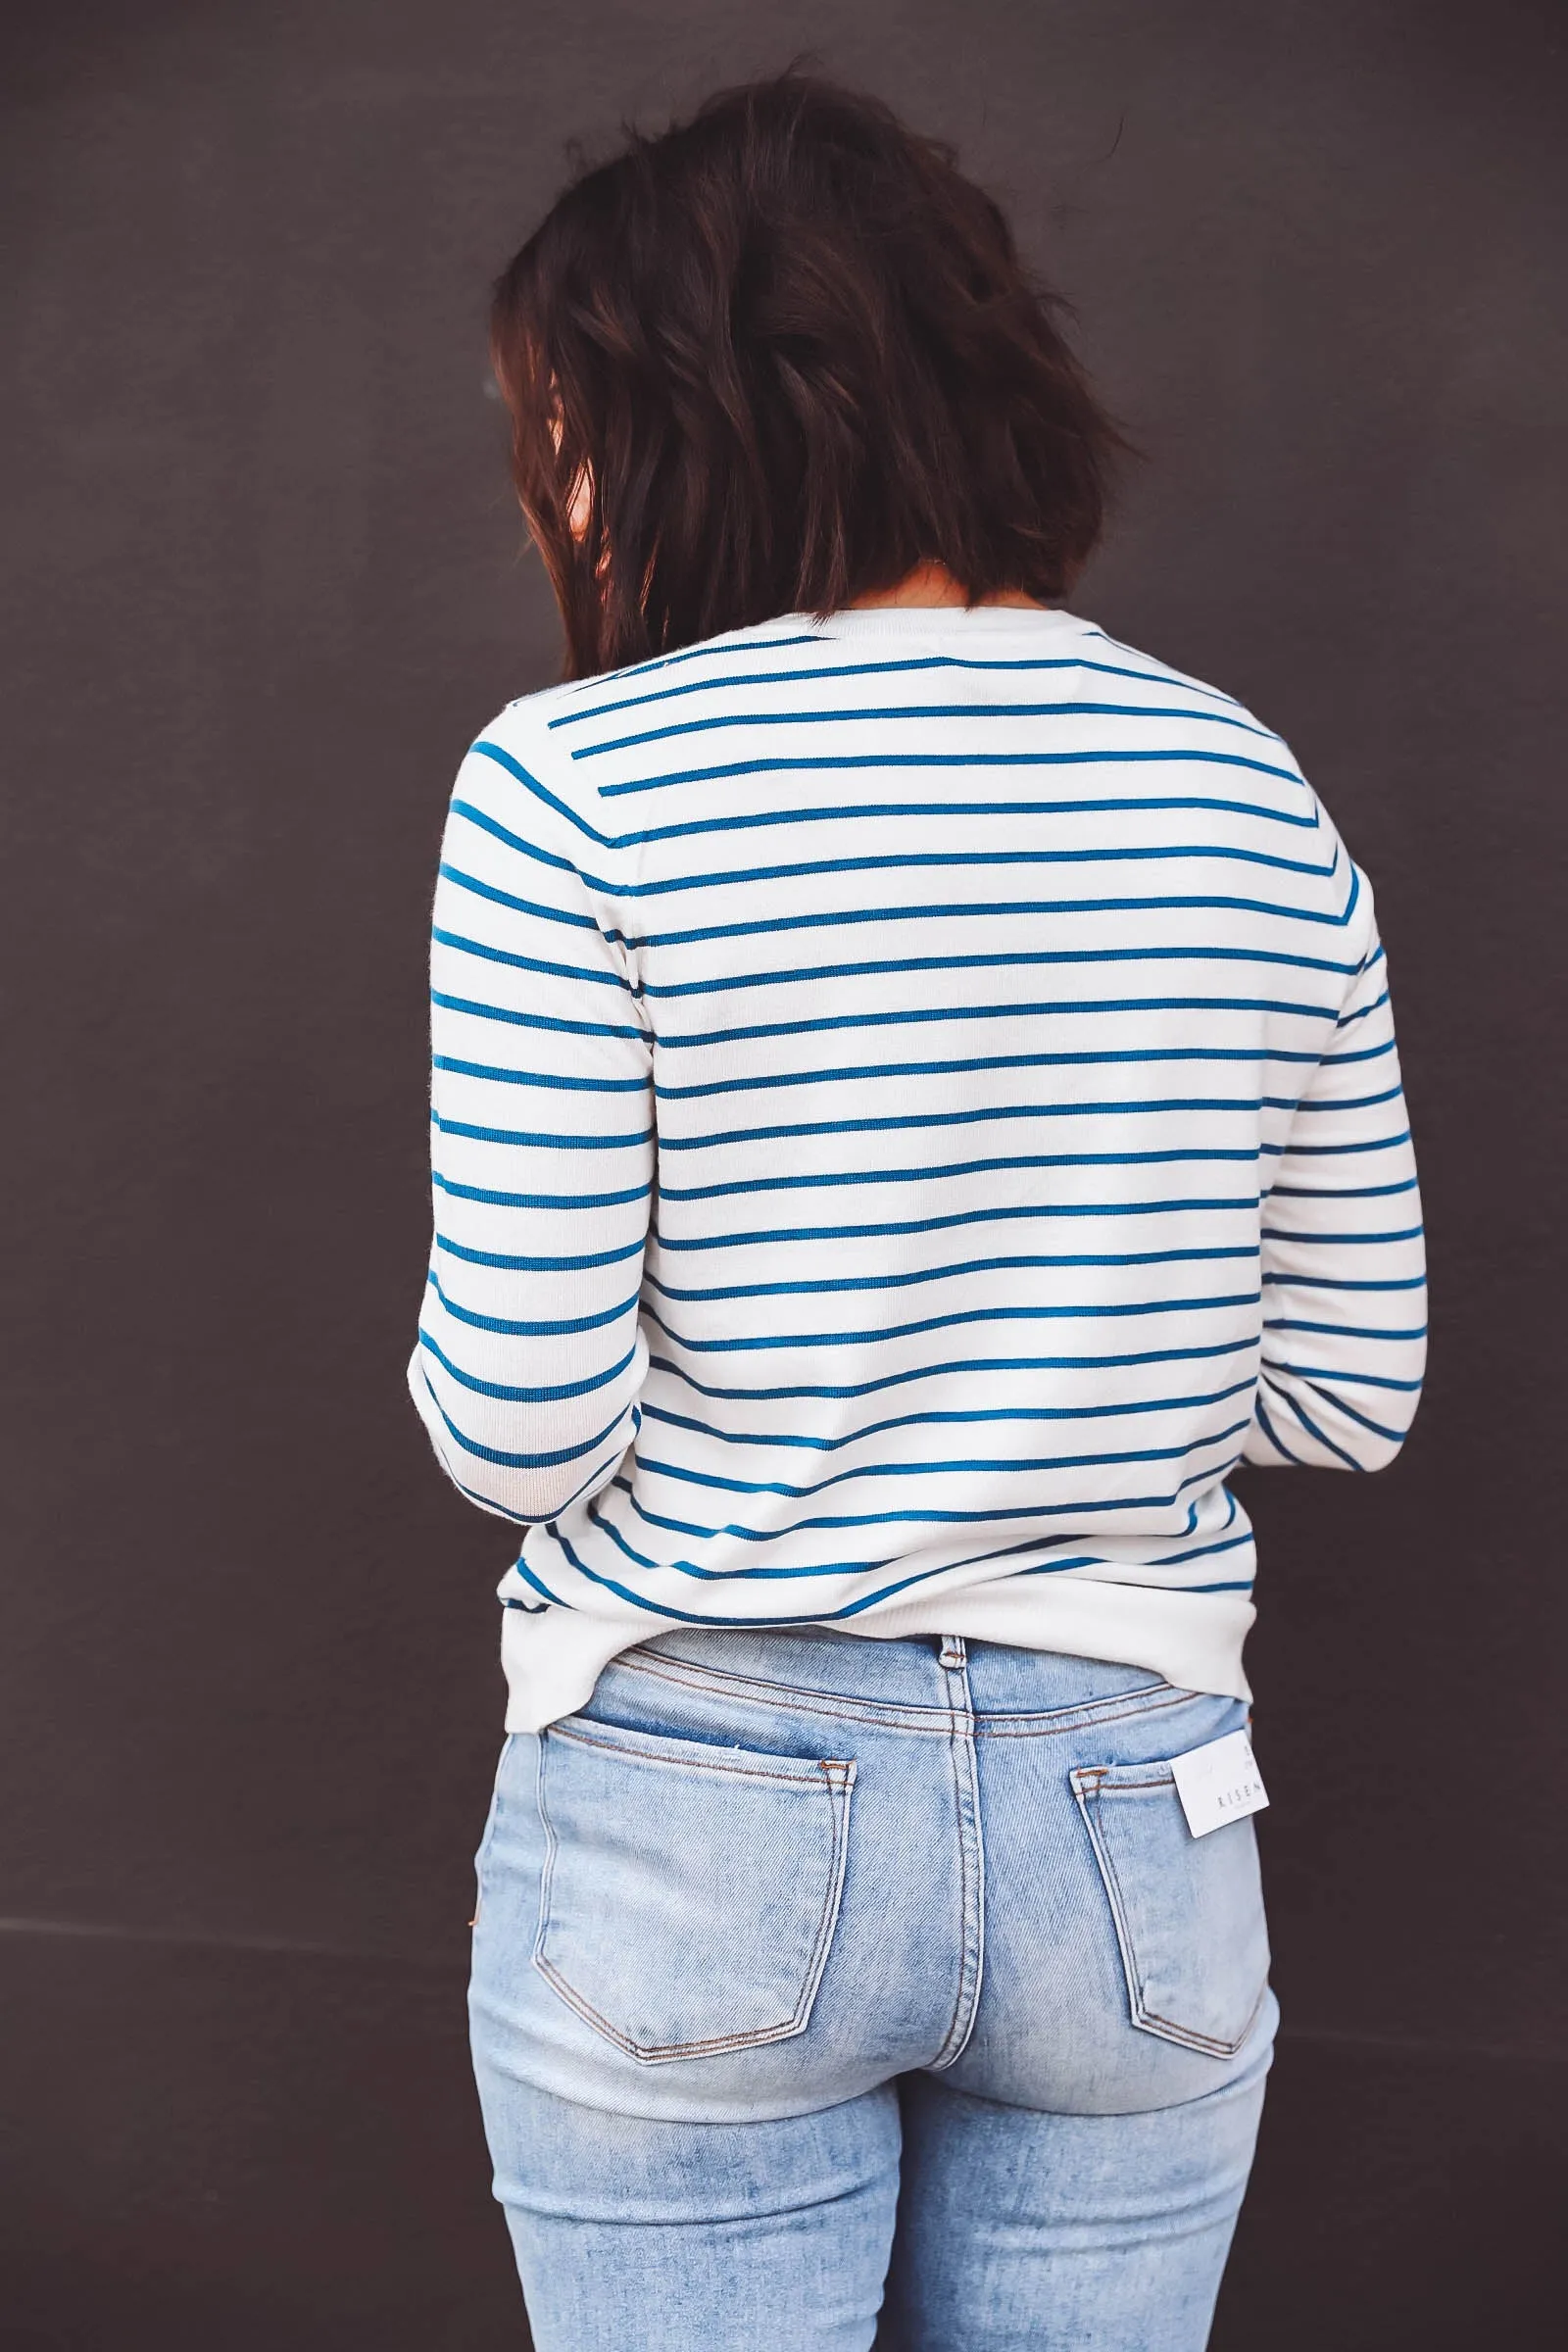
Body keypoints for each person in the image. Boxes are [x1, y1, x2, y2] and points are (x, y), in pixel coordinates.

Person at [408, 70, 1426, 2352]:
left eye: (559, 423)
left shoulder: (574, 788)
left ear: (681, 411)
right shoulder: (1238, 778)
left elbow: (516, 1428)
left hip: (698, 1807)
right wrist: (1055, 1361)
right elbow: (1352, 1393)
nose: (548, 492)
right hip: (1134, 1829)